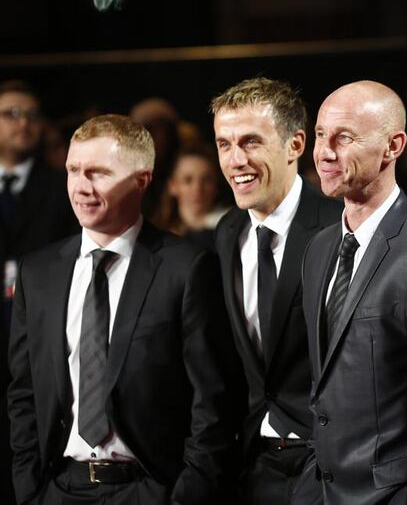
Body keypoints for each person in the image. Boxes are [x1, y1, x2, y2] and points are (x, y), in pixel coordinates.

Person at [7, 114, 240, 505]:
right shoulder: (39, 272)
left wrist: (187, 494)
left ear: (142, 180)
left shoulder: (186, 268)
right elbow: (24, 391)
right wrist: (30, 489)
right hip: (58, 488)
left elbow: (213, 401)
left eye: (98, 173)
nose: (81, 186)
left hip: (149, 488)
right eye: (73, 170)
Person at [302, 80, 407, 504]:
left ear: (393, 146)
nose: (325, 152)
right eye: (321, 135)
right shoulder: (320, 248)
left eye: (344, 138)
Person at [211, 77, 341, 505]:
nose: (236, 160)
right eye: (224, 144)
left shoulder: (340, 227)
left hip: (327, 466)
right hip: (254, 466)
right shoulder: (228, 232)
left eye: (251, 142)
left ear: (295, 144)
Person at [0, 80, 77, 503]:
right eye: (11, 114)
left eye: (31, 114)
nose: (23, 123)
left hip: (39, 339)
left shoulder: (61, 187)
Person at [152, 148, 227, 249]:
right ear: (172, 185)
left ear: (216, 185)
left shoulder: (231, 229)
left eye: (207, 180)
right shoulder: (156, 234)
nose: (197, 189)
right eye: (188, 180)